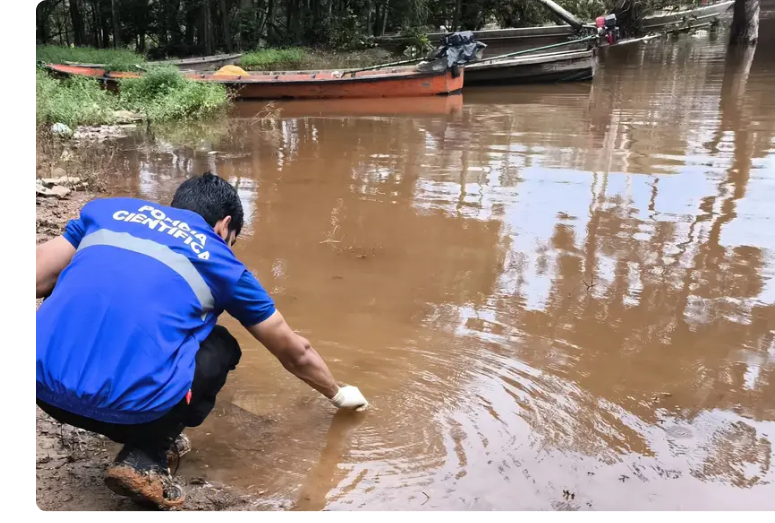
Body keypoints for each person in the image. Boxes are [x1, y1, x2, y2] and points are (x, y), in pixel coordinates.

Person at [36, 172, 368, 509]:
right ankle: (145, 457)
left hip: (41, 388)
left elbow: (34, 275)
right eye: (232, 239)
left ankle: (142, 430)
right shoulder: (223, 262)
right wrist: (339, 395)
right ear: (224, 227)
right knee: (221, 344)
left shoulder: (106, 214)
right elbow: (294, 353)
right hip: (129, 410)